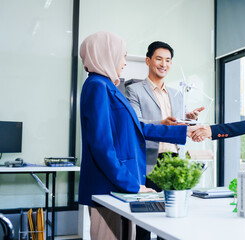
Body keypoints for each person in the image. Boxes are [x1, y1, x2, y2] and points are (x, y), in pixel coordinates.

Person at [78, 32, 199, 240]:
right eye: (122, 56)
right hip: (109, 187)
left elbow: (137, 129)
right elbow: (102, 146)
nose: (124, 62)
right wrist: (133, 185)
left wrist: (183, 130)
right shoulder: (97, 87)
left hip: (118, 185)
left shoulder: (107, 86)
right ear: (106, 54)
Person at [126, 41, 204, 191]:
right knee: (150, 208)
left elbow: (182, 125)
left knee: (173, 207)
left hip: (175, 158)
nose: (164, 64)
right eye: (159, 59)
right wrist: (162, 122)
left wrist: (191, 119)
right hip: (150, 159)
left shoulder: (177, 94)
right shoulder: (134, 90)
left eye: (168, 60)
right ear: (148, 61)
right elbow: (135, 123)